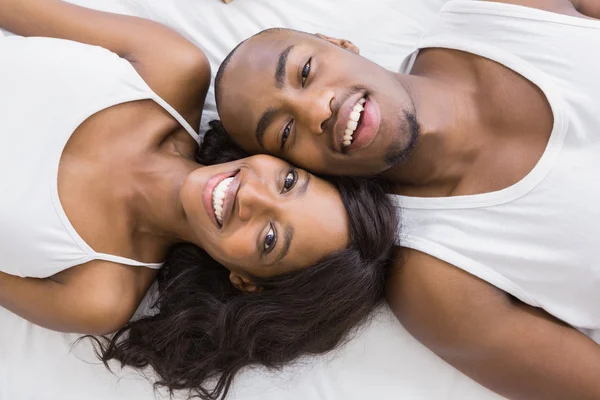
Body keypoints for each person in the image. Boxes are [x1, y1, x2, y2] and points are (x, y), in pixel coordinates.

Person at [0, 1, 397, 399]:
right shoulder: (169, 67)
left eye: (270, 238)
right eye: (289, 181)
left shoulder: (97, 294)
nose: (252, 195)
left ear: (245, 282)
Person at [212, 0, 600, 399]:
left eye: (305, 71)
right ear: (300, 168)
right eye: (286, 131)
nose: (317, 110)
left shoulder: (496, 12)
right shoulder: (436, 282)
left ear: (338, 43)